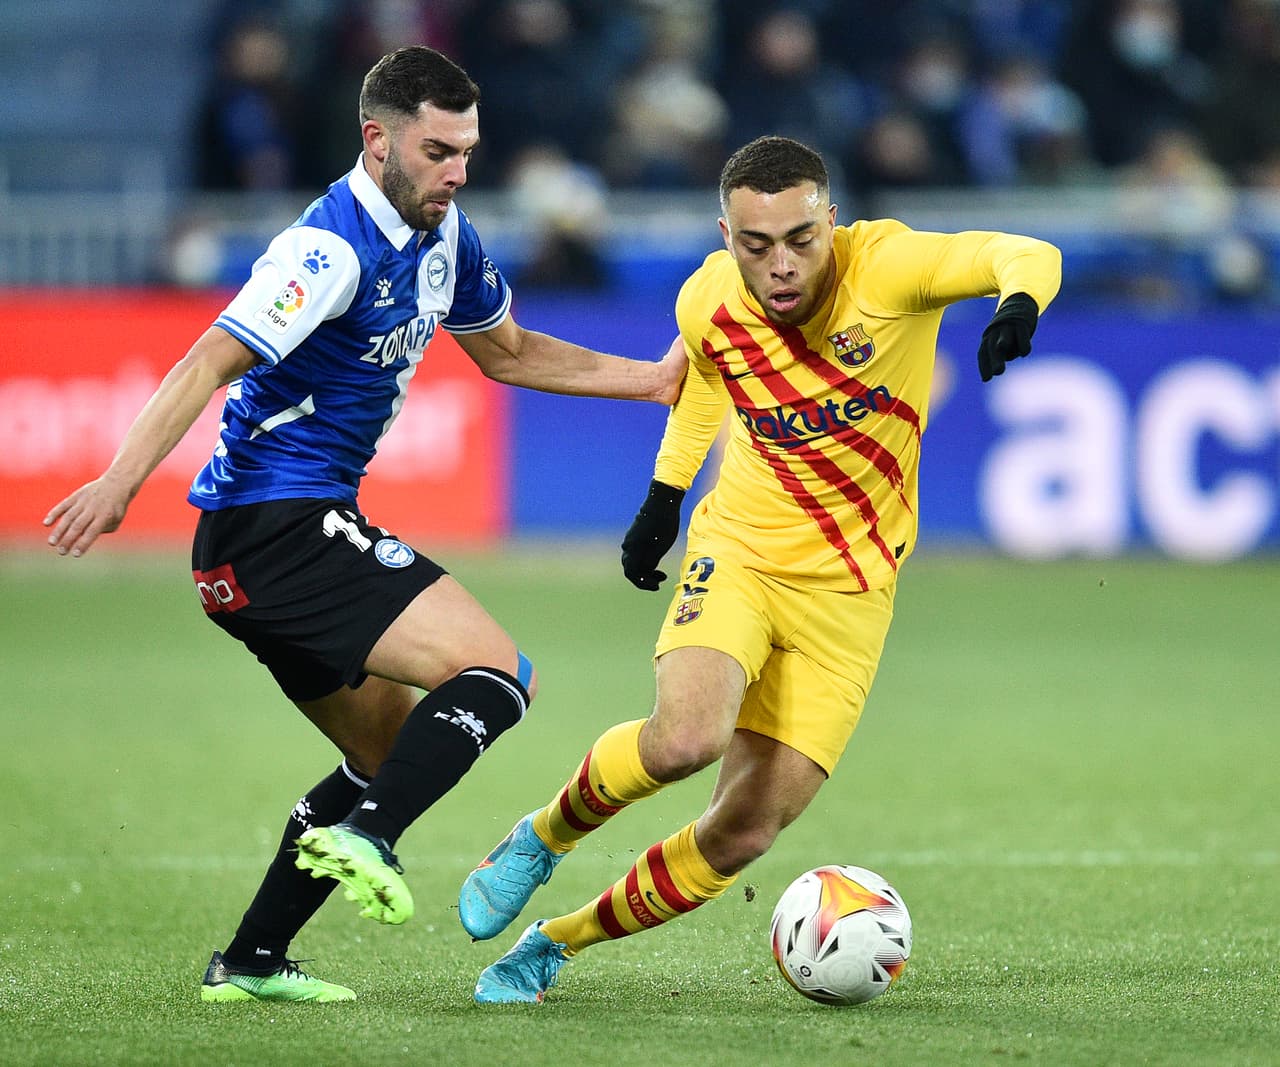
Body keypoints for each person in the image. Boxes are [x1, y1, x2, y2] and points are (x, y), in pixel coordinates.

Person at [43, 45, 685, 1004]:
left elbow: (507, 351)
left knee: (383, 754)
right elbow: (207, 361)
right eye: (436, 150)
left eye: (467, 150)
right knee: (499, 673)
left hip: (264, 547)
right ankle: (371, 836)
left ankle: (251, 961)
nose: (457, 170)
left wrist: (656, 380)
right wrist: (119, 481)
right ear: (376, 139)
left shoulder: (447, 234)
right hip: (275, 524)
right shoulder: (328, 247)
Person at [458, 134, 1061, 1004]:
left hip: (852, 593)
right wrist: (663, 499)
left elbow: (1024, 249)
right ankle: (541, 837)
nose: (779, 265)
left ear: (831, 222)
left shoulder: (888, 268)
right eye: (755, 244)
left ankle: (557, 942)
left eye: (800, 240)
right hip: (740, 550)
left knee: (743, 830)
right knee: (685, 740)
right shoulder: (708, 293)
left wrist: (1018, 302)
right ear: (725, 233)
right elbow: (709, 373)